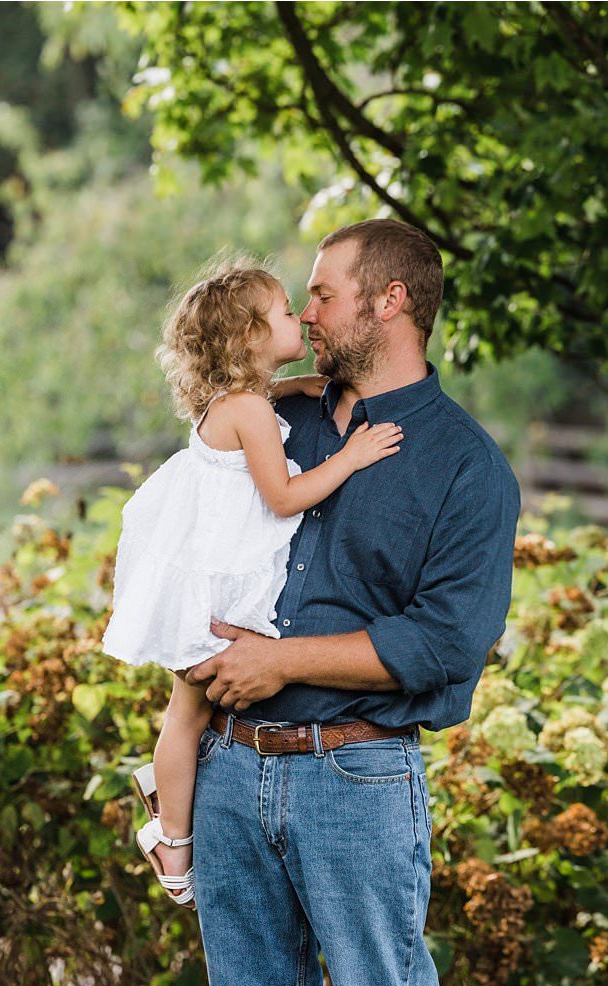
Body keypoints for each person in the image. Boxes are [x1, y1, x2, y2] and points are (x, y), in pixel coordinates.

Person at [182, 219, 518, 986]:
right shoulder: (273, 414)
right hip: (226, 767)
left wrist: (278, 660)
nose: (310, 309)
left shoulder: (464, 468)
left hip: (357, 778)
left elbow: (444, 644)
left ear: (391, 301)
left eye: (324, 293)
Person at [102, 258, 403, 908]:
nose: (300, 317)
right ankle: (172, 842)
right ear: (249, 335)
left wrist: (312, 383)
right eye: (286, 311)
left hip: (206, 577)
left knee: (188, 713)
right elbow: (286, 495)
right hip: (221, 594)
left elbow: (281, 394)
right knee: (188, 713)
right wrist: (351, 456)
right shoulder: (250, 411)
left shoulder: (236, 400)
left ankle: (165, 802)